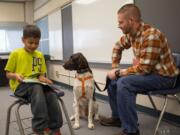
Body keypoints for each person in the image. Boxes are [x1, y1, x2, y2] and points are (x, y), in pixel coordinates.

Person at [99, 4, 179, 135]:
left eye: (121, 22)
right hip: (149, 73)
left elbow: (144, 68)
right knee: (112, 79)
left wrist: (118, 73)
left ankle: (131, 131)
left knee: (124, 83)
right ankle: (118, 118)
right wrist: (115, 68)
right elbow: (117, 47)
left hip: (165, 77)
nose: (118, 25)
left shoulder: (151, 35)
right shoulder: (131, 34)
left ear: (131, 21)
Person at [5, 25, 63, 135]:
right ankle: (39, 128)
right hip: (20, 86)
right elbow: (8, 74)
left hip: (36, 85)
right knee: (36, 87)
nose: (33, 46)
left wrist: (43, 79)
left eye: (36, 43)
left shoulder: (40, 55)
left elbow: (40, 75)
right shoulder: (16, 54)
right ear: (23, 40)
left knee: (51, 93)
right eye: (30, 43)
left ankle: (54, 128)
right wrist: (16, 75)